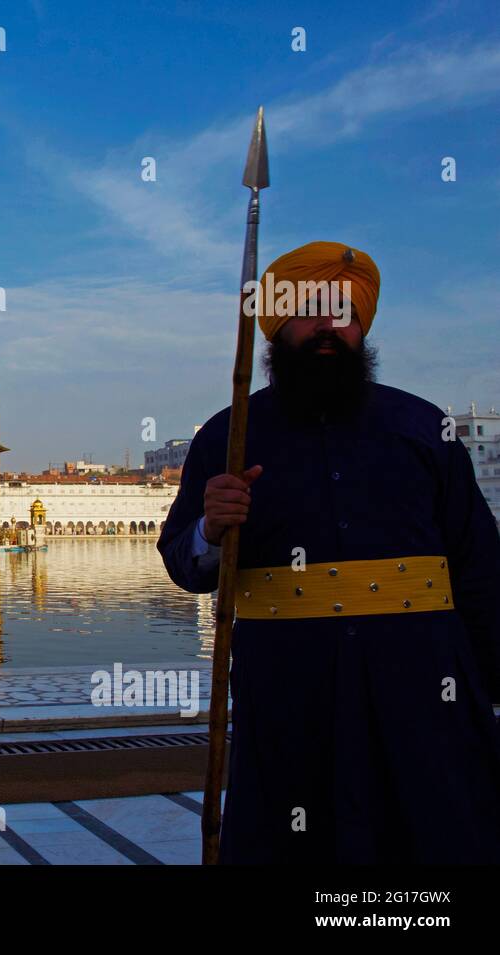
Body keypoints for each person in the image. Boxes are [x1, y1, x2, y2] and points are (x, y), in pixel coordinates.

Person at [158, 241, 500, 864]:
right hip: (290, 687)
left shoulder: (425, 428)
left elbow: (479, 567)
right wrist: (212, 526)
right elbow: (184, 561)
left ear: (360, 325)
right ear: (276, 327)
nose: (325, 325)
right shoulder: (228, 434)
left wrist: (487, 686)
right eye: (308, 309)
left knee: (426, 835)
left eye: (340, 311)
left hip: (421, 686)